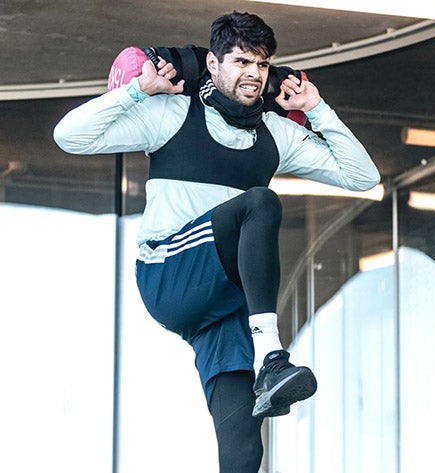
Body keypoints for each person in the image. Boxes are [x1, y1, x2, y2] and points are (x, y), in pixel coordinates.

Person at [53, 11, 380, 473]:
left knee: (245, 448)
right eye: (242, 61)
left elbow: (363, 176)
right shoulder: (170, 115)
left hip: (220, 306)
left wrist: (316, 109)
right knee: (259, 204)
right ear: (212, 65)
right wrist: (136, 91)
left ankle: (266, 366)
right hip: (168, 273)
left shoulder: (276, 134)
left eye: (262, 65)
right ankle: (271, 354)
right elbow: (68, 136)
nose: (253, 73)